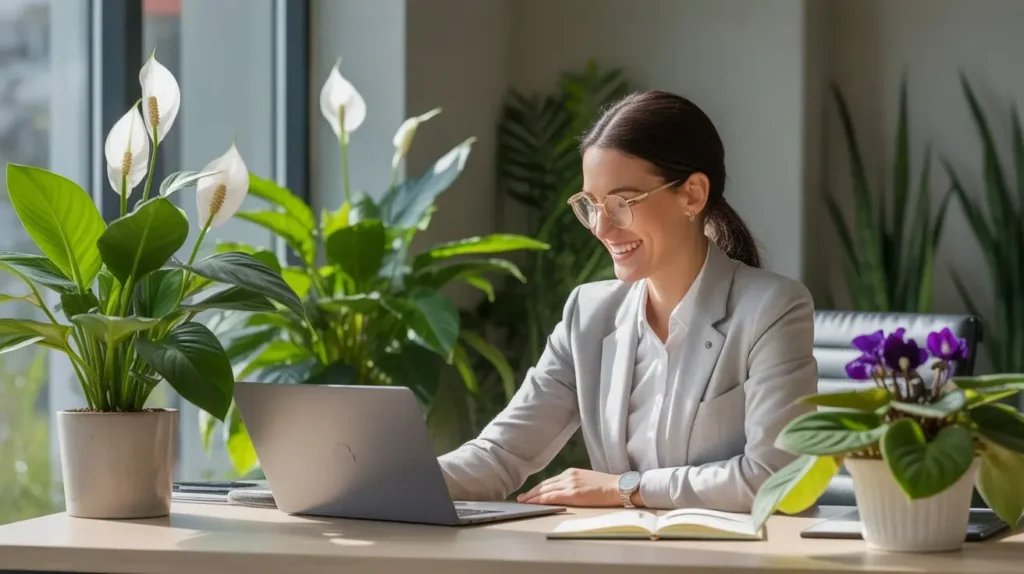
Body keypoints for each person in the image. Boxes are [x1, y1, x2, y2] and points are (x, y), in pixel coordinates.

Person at [437, 90, 817, 512]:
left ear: (692, 194)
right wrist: (387, 483)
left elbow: (778, 478)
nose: (601, 226)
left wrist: (627, 488)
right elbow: (499, 455)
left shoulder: (771, 309)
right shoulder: (589, 314)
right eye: (591, 205)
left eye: (621, 203)